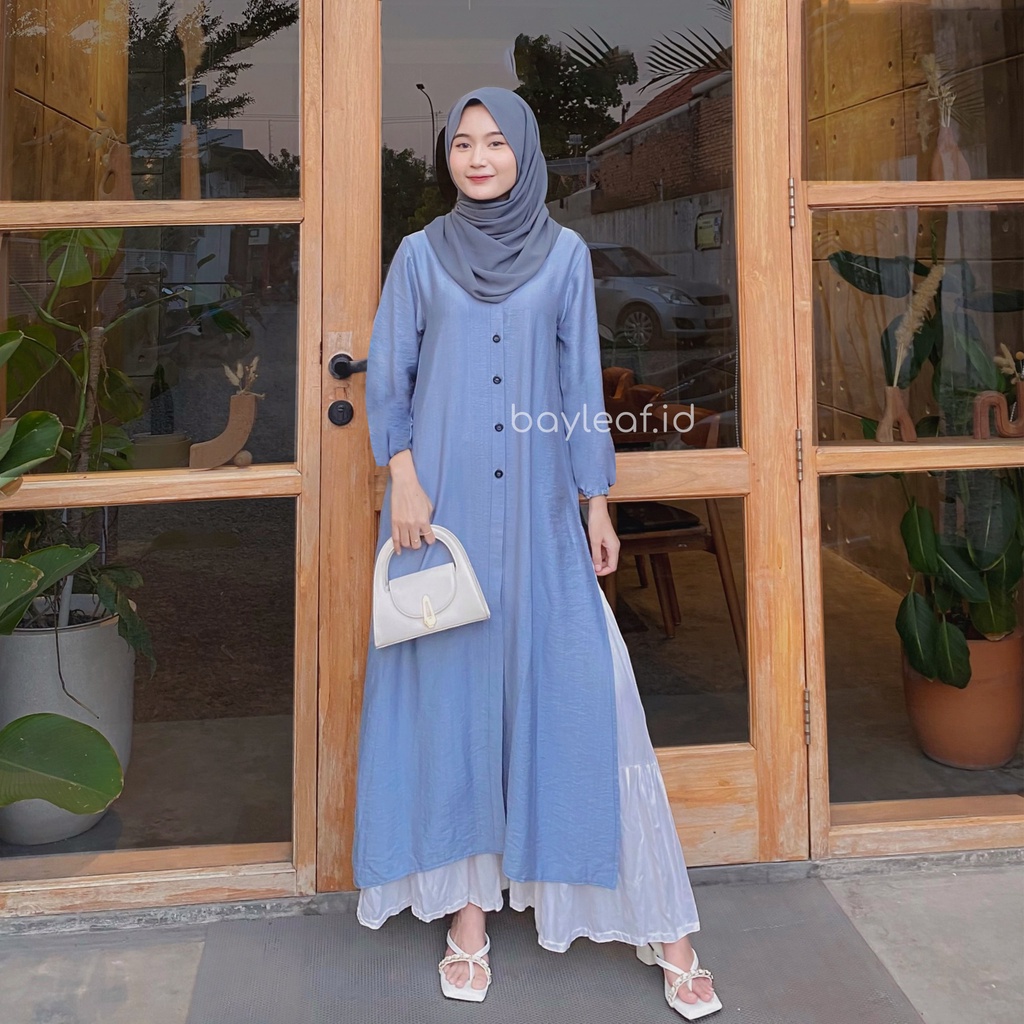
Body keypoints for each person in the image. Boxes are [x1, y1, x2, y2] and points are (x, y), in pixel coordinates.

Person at [355, 86, 722, 1020]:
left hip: (544, 512)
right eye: (462, 143)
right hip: (441, 513)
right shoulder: (418, 255)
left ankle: (664, 924)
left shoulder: (564, 256)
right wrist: (403, 478)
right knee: (455, 699)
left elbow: (577, 387)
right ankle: (467, 917)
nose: (477, 158)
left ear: (524, 153)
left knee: (581, 692)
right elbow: (389, 372)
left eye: (495, 142)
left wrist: (598, 502)